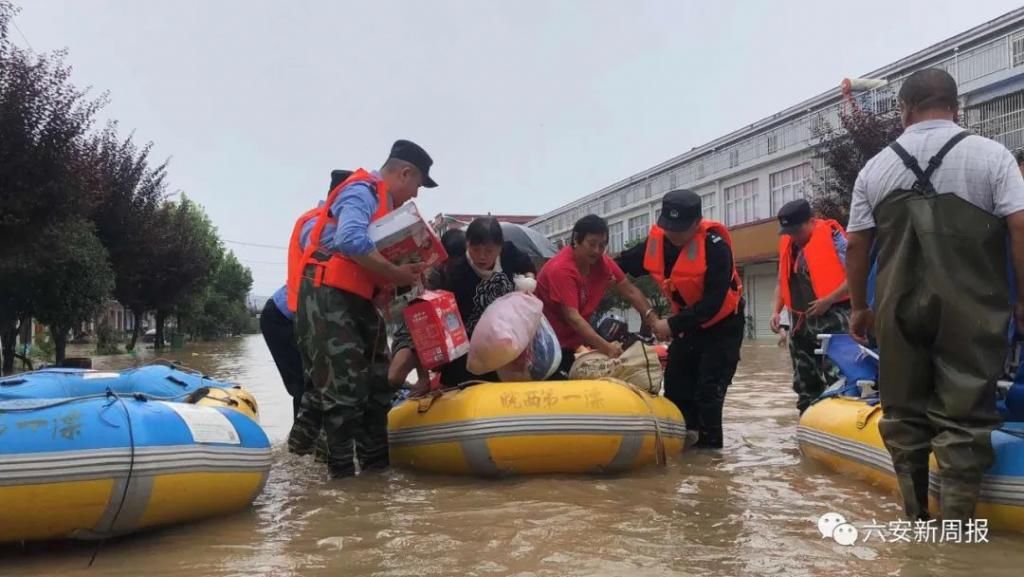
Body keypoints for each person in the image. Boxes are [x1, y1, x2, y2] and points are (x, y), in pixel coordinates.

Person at [846, 69, 1024, 521]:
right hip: (972, 309)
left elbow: (857, 244)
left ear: (903, 109)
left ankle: (915, 521)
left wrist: (860, 307)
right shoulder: (993, 156)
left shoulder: (875, 167)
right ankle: (958, 534)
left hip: (897, 308)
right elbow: (1020, 228)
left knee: (903, 413)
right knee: (964, 418)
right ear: (956, 106)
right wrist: (1022, 300)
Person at [288, 140, 436, 478]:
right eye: (418, 185)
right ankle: (341, 485)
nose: (416, 194)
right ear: (405, 173)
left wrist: (403, 278)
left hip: (361, 302)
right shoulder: (362, 191)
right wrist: (396, 272)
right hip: (329, 298)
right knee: (341, 396)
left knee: (376, 388)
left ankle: (375, 479)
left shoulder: (386, 209)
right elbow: (350, 240)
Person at [616, 190, 744, 449]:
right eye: (669, 227)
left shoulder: (716, 247)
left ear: (696, 223)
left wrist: (670, 325)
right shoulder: (658, 243)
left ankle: (710, 459)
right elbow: (619, 265)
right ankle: (684, 452)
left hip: (722, 327)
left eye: (680, 229)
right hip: (688, 329)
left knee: (708, 393)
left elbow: (711, 304)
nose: (673, 234)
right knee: (675, 387)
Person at [261, 170, 352, 419]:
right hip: (282, 319)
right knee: (305, 386)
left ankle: (311, 448)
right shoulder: (316, 224)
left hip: (308, 321)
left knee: (322, 385)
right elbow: (342, 246)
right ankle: (301, 452)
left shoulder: (343, 225)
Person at [535, 214, 659, 378]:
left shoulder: (603, 263)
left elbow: (630, 291)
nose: (597, 251)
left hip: (574, 346)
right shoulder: (561, 269)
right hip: (547, 349)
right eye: (592, 244)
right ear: (576, 240)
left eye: (602, 245)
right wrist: (607, 348)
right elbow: (573, 318)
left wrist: (654, 321)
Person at [429, 217, 536, 385]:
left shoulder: (509, 253)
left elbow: (527, 267)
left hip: (508, 343)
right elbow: (450, 321)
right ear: (467, 244)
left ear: (499, 247)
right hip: (473, 352)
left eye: (489, 250)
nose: (482, 256)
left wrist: (528, 282)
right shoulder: (456, 273)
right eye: (475, 249)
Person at [769, 198, 851, 414]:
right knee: (803, 379)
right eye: (789, 231)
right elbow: (782, 281)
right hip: (800, 322)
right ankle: (807, 419)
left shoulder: (835, 239)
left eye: (798, 229)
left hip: (833, 316)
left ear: (811, 221)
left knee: (838, 374)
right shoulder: (789, 246)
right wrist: (776, 312)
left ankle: (841, 417)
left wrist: (829, 300)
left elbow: (855, 276)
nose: (794, 236)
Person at [387, 228, 467, 389]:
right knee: (394, 377)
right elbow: (420, 326)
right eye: (450, 260)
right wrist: (424, 378)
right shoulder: (433, 277)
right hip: (418, 328)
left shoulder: (470, 270)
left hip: (455, 332)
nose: (454, 265)